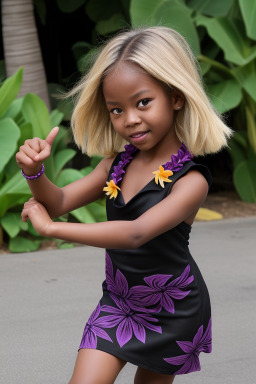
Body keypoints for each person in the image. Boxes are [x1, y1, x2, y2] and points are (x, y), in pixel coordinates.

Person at [16, 26, 232, 384]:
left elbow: (136, 233)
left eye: (142, 102)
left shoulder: (191, 181)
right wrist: (34, 171)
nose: (129, 119)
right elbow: (60, 201)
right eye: (116, 109)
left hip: (174, 310)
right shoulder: (116, 163)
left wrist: (51, 230)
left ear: (176, 97)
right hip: (118, 304)